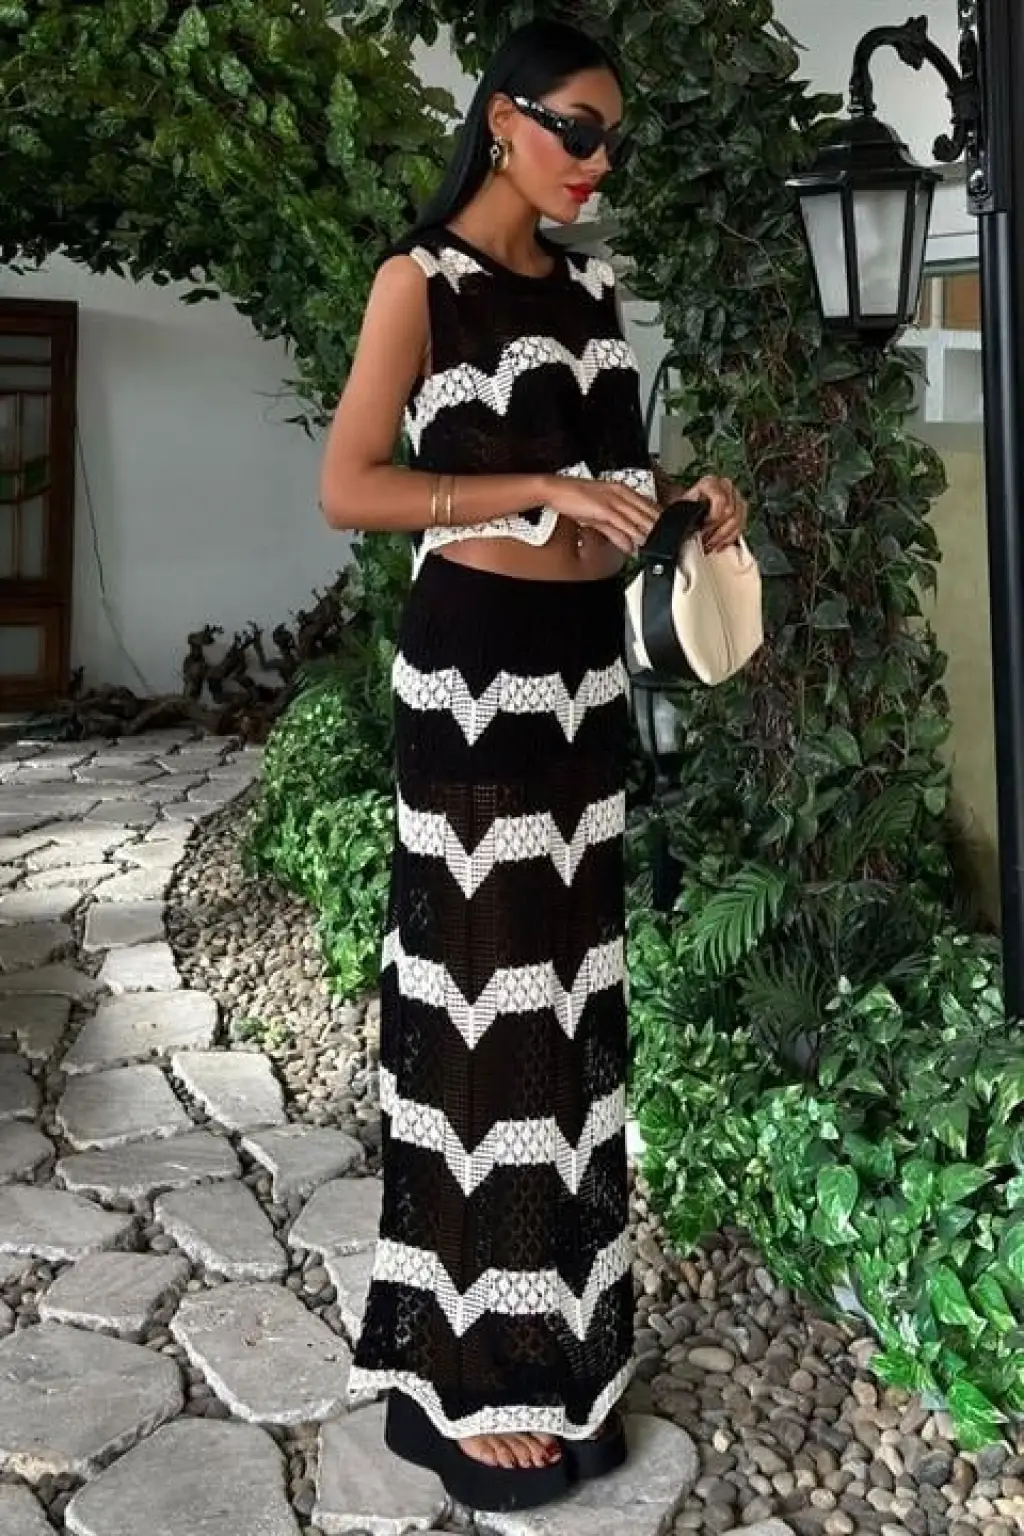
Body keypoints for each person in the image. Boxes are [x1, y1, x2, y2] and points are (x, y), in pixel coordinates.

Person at [318, 17, 748, 1514]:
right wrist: (533, 489)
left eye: (608, 139)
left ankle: (563, 1344)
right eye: (575, 129)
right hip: (474, 679)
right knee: (480, 1014)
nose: (595, 162)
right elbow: (349, 485)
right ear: (501, 118)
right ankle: (466, 1374)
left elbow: (611, 492)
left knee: (567, 1021)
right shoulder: (420, 283)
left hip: (581, 683)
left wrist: (685, 504)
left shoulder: (596, 293)